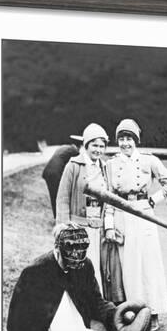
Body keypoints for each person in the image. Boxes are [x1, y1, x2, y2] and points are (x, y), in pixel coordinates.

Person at [6, 223, 150, 331]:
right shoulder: (35, 272)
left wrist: (116, 315)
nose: (73, 264)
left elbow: (95, 301)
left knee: (105, 328)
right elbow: (20, 325)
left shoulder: (84, 265)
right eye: (68, 260)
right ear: (57, 248)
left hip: (68, 329)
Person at [104, 119, 167, 331]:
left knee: (148, 265)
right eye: (122, 139)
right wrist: (109, 225)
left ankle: (153, 313)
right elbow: (108, 197)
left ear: (136, 140)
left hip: (144, 214)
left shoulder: (149, 160)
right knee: (129, 266)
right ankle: (135, 312)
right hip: (121, 216)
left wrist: (153, 200)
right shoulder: (111, 164)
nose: (126, 143)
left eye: (129, 139)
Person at [56, 123, 109, 291]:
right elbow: (62, 197)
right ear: (86, 145)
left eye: (102, 146)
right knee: (77, 269)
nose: (98, 150)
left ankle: (96, 310)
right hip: (77, 228)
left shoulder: (105, 167)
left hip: (97, 228)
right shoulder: (73, 165)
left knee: (97, 270)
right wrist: (64, 226)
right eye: (94, 145)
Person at [42, 141, 80, 218]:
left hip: (47, 172)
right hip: (55, 174)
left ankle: (56, 217)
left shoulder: (63, 147)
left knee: (53, 195)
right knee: (60, 196)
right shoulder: (74, 150)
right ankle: (60, 217)